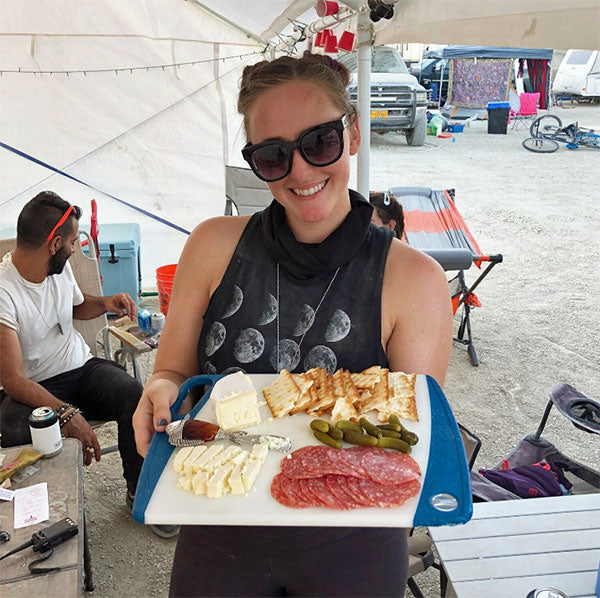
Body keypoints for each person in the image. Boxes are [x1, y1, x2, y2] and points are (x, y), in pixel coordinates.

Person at [133, 52, 453, 596]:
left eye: (320, 142)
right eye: (273, 155)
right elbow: (172, 368)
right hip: (218, 521)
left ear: (352, 134)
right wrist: (160, 388)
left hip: (353, 539)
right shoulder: (211, 246)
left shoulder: (415, 281)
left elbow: (408, 437)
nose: (301, 171)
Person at [0, 191, 176, 538]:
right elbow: (14, 380)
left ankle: (139, 489)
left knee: (132, 394)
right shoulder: (4, 291)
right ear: (54, 244)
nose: (74, 250)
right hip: (35, 387)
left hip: (79, 366)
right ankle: (42, 516)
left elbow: (75, 307)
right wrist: (65, 413)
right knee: (12, 429)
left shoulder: (56, 268)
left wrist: (105, 302)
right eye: (71, 243)